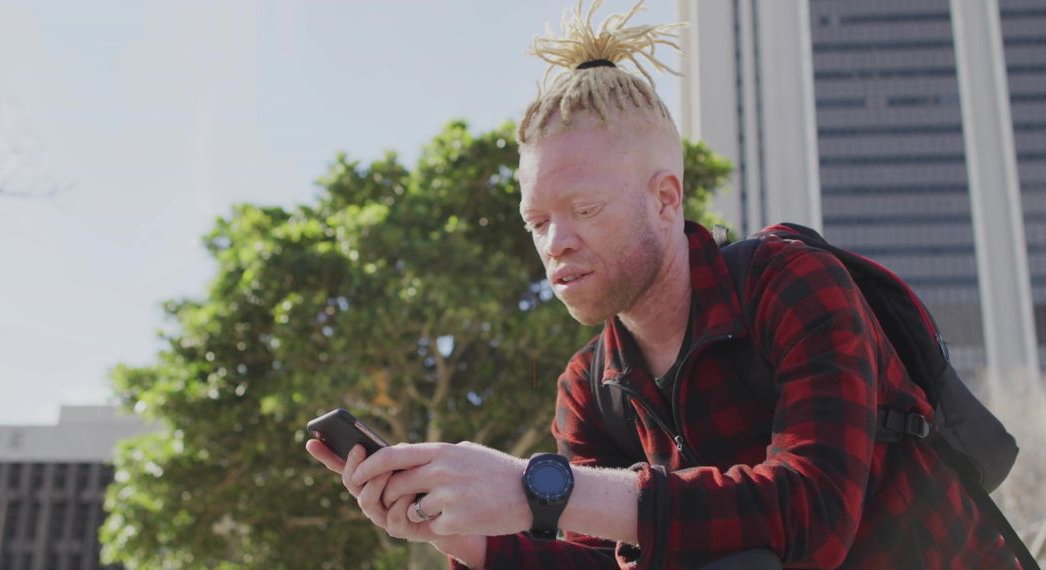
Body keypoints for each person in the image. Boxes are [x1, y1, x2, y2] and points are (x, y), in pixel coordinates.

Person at [306, 1, 1023, 567]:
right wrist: (460, 532)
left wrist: (533, 487)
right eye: (537, 221)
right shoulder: (591, 387)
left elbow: (811, 514)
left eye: (584, 210)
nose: (556, 243)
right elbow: (606, 558)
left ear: (667, 198)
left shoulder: (791, 282)